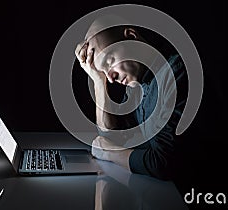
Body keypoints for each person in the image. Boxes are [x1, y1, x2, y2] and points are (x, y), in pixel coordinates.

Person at [74, 16, 190, 181]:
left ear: (132, 37)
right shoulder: (137, 84)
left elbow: (164, 163)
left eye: (109, 61)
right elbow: (111, 138)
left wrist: (109, 152)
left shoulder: (176, 74)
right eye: (104, 71)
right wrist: (99, 81)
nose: (111, 78)